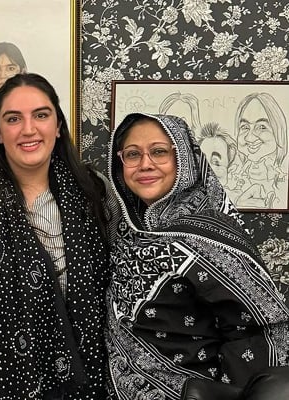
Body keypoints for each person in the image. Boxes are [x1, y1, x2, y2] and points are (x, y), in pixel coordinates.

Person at [107, 113, 289, 400]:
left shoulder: (210, 233)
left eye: (159, 152)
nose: (145, 163)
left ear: (184, 159)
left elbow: (259, 328)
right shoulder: (125, 232)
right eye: (132, 154)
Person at [0, 73, 115, 399]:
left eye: (41, 115)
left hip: (89, 372)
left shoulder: (94, 190)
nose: (28, 129)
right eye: (13, 118)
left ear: (57, 126)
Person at [233, 92, 288, 209]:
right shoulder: (231, 179)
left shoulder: (283, 183)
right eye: (245, 127)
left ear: (278, 132)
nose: (250, 137)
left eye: (262, 127)